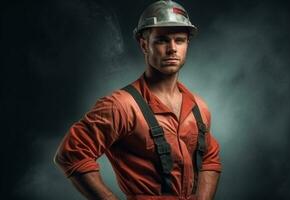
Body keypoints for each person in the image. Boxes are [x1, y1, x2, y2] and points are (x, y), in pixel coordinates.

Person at [54, 0, 222, 199]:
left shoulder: (198, 108)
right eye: (161, 40)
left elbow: (210, 158)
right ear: (144, 44)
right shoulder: (121, 106)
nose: (172, 49)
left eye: (179, 40)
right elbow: (70, 154)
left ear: (187, 44)